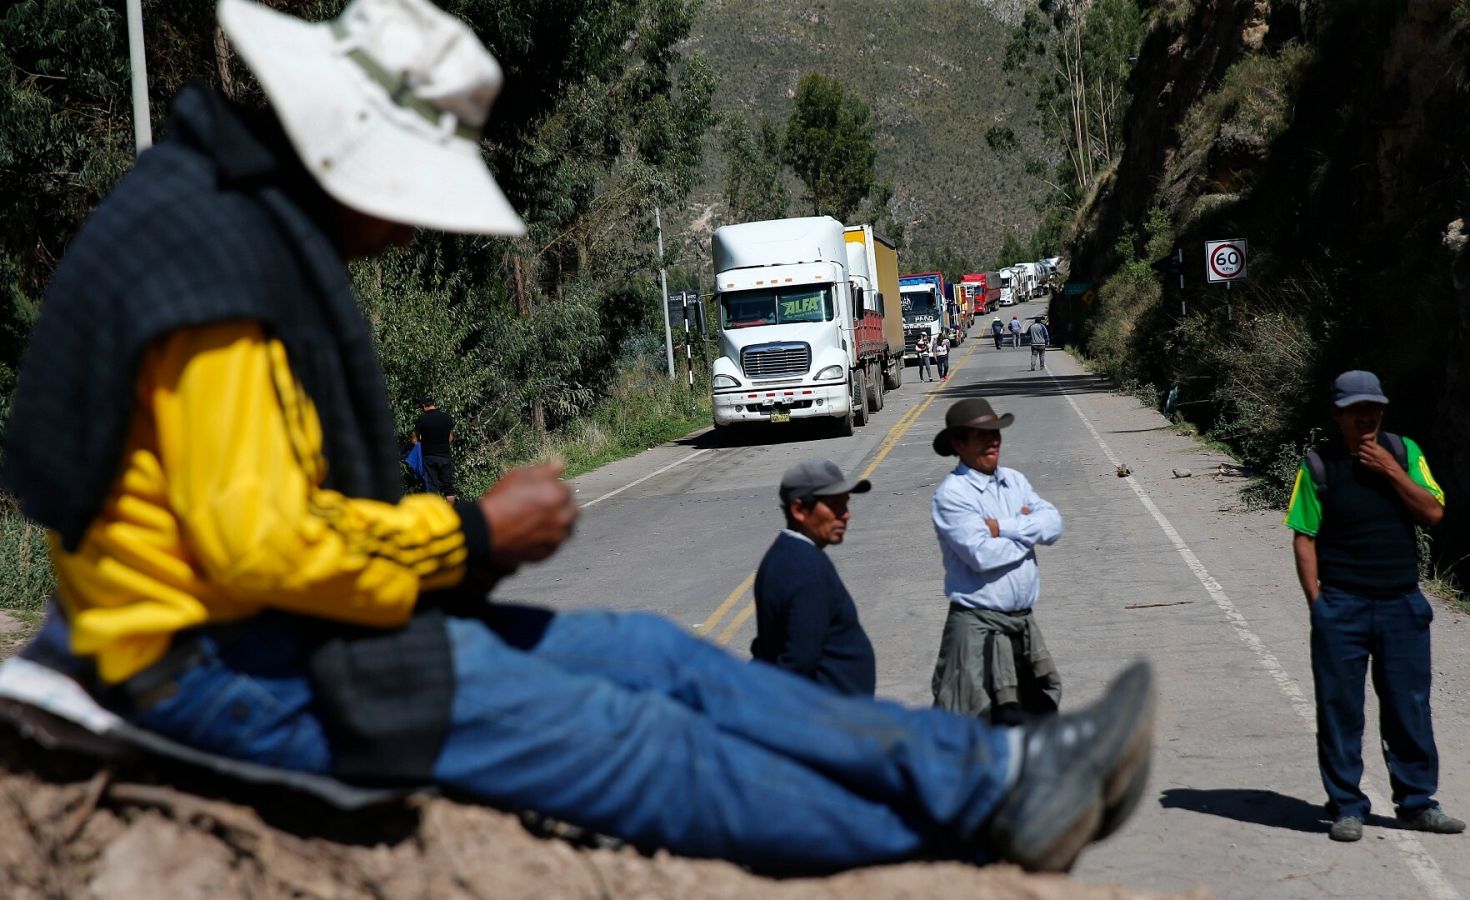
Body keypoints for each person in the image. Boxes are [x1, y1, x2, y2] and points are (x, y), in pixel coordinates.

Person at [2, 0, 1156, 876]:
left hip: (273, 626)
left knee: (654, 657)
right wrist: (471, 532)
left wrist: (467, 538)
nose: (404, 230)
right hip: (213, 667)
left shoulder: (224, 226)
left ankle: (992, 766)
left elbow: (273, 517)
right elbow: (261, 551)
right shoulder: (217, 288)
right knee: (635, 743)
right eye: (406, 192)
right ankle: (981, 825)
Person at [1284, 370, 1466, 843]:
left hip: (1401, 603)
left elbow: (1432, 512)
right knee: (1339, 709)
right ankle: (1347, 805)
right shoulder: (1318, 464)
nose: (1366, 416)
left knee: (1410, 706)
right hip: (1342, 605)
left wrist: (1389, 468)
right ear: (1338, 414)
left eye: (1374, 408)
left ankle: (1417, 803)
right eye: (1355, 409)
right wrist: (1318, 603)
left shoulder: (1406, 452)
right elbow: (1304, 537)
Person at [929, 399, 1064, 725]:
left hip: (1023, 626)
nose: (993, 441)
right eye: (982, 435)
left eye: (996, 433)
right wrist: (1030, 534)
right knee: (973, 721)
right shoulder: (953, 494)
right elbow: (981, 555)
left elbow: (1055, 525)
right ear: (958, 444)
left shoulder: (1015, 480)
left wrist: (1003, 527)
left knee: (1036, 714)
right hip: (978, 629)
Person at [751, 460, 875, 697]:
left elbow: (769, 644)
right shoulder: (805, 569)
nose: (846, 514)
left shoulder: (783, 554)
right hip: (830, 717)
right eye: (835, 505)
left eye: (846, 503)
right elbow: (799, 660)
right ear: (799, 510)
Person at [412, 397, 456, 503]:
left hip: (429, 457)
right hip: (445, 456)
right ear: (434, 404)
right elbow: (451, 438)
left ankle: (436, 516)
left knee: (432, 490)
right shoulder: (447, 418)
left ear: (423, 406)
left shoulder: (422, 419)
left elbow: (414, 440)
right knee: (448, 489)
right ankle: (449, 514)